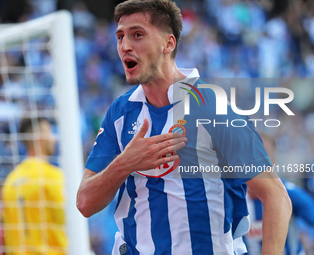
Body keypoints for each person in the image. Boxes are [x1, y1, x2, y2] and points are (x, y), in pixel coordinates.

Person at [76, 0, 292, 254]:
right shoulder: (119, 113)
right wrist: (126, 163)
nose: (125, 46)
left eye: (137, 35)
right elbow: (84, 202)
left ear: (169, 43)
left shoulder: (212, 106)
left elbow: (277, 196)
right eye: (120, 36)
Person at [244, 133, 314, 255]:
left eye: (263, 154)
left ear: (273, 161)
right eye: (252, 153)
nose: (256, 159)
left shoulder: (287, 192)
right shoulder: (234, 196)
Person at [2, 117, 68, 255]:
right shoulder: (52, 176)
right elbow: (67, 221)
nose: (54, 139)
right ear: (40, 138)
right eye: (50, 132)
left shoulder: (10, 181)